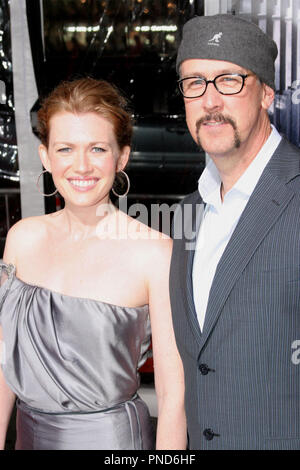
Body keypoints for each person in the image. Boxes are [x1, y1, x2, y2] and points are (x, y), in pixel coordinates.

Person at [0, 77, 186, 450]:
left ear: (122, 157)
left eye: (98, 148)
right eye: (66, 148)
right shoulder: (22, 237)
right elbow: (4, 363)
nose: (81, 166)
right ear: (45, 156)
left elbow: (172, 397)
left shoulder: (155, 253)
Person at [170, 14, 300, 450]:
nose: (209, 101)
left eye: (228, 80)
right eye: (194, 83)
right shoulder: (187, 214)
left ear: (266, 93)